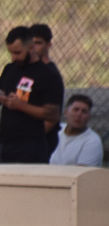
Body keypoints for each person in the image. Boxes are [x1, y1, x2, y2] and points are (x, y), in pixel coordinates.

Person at [0, 26, 63, 164]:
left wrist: (21, 106)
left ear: (31, 48)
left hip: (30, 146)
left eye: (18, 53)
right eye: (11, 53)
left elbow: (52, 114)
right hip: (4, 142)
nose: (14, 57)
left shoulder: (47, 74)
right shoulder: (10, 69)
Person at [30, 23, 66, 159]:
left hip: (40, 140)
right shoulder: (31, 70)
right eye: (31, 43)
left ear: (48, 45)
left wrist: (32, 138)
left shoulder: (50, 74)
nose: (34, 47)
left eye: (38, 43)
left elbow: (52, 116)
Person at [49, 95, 103, 167]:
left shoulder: (92, 142)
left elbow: (82, 172)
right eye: (76, 110)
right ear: (66, 112)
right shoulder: (56, 130)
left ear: (89, 117)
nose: (79, 114)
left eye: (84, 111)